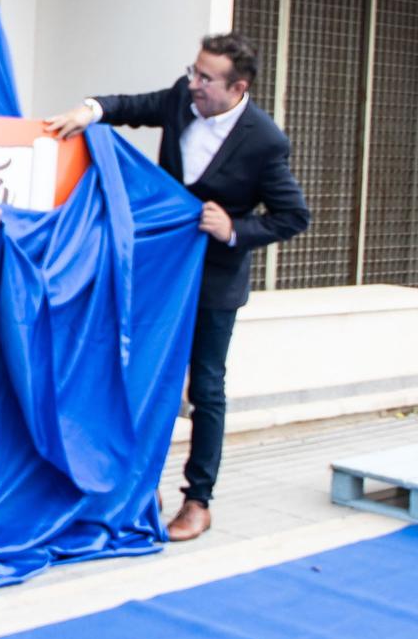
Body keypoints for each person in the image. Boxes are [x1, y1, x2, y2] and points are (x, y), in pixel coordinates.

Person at [44, 31, 310, 541]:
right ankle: (139, 483)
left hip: (213, 283)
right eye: (193, 71)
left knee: (205, 388)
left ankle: (198, 500)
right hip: (162, 277)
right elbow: (129, 105)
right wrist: (89, 110)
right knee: (141, 373)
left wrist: (233, 229)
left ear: (238, 89)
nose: (194, 84)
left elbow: (294, 216)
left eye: (205, 78)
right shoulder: (180, 99)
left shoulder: (265, 140)